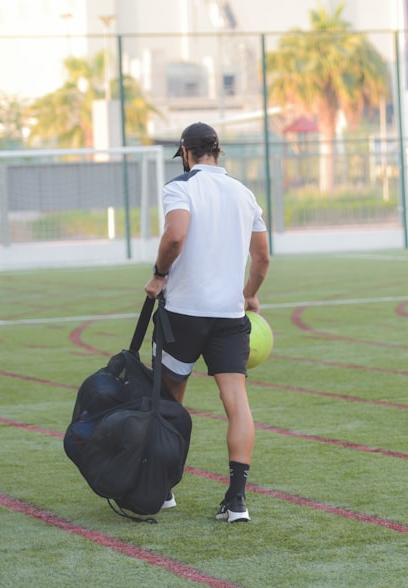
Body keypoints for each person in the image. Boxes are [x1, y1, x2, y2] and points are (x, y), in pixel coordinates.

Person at [144, 121, 270, 523]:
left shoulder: (180, 186)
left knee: (170, 402)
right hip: (230, 316)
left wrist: (160, 273)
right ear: (218, 152)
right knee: (237, 405)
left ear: (186, 152)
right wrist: (249, 293)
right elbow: (263, 257)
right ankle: (236, 500)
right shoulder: (244, 193)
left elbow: (175, 235)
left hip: (183, 311)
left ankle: (163, 490)